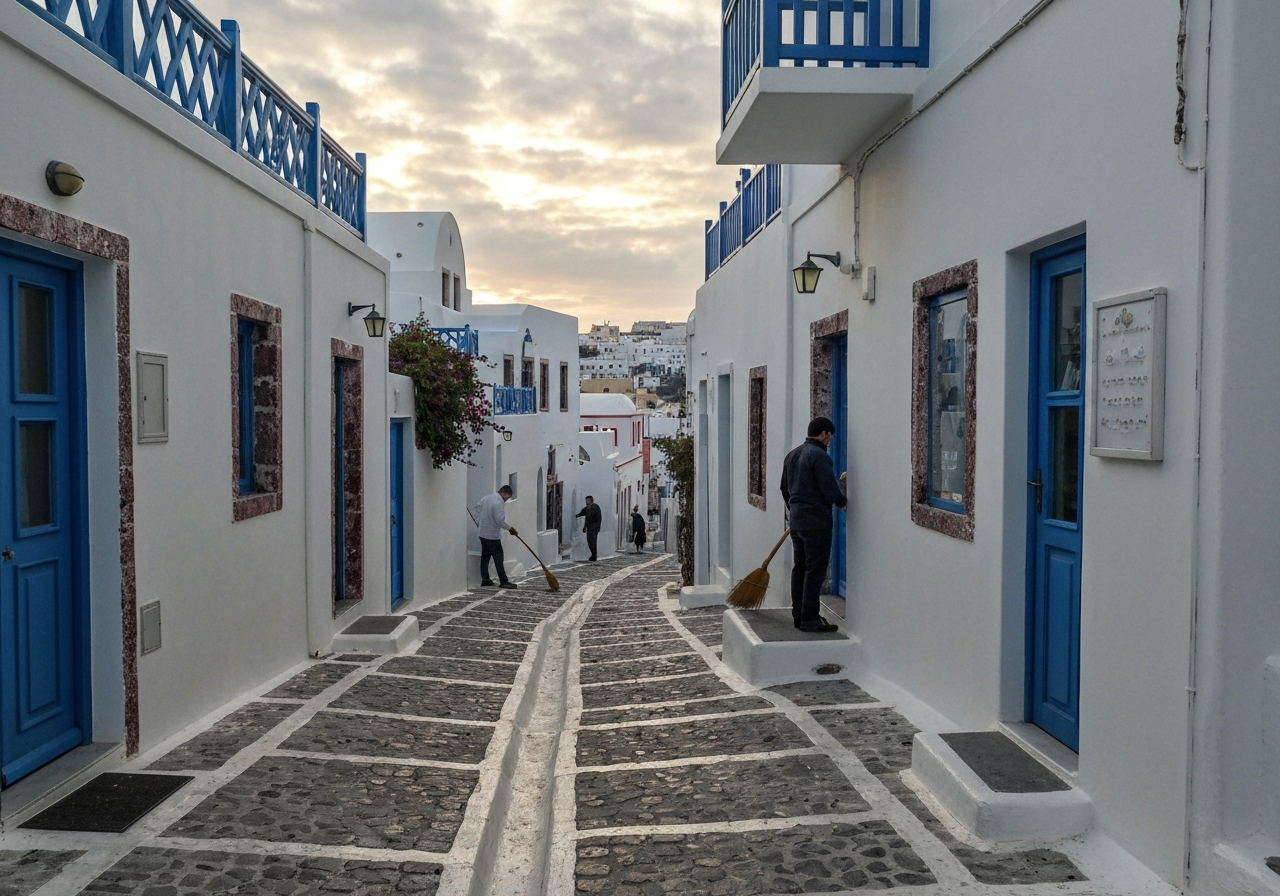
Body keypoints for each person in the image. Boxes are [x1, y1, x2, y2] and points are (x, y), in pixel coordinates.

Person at [780, 417, 847, 633]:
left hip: (797, 519)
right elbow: (829, 488)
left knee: (800, 567)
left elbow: (784, 489)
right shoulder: (819, 456)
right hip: (816, 520)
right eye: (830, 436)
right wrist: (842, 501)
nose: (830, 441)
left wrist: (796, 508)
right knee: (815, 569)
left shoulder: (792, 455)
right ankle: (810, 618)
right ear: (825, 434)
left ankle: (798, 614)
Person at [475, 485, 518, 588]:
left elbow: (477, 508)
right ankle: (503, 581)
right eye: (507, 497)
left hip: (482, 533)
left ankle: (485, 579)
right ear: (504, 493)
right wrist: (509, 528)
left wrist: (478, 522)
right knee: (498, 557)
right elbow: (499, 520)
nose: (506, 500)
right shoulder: (498, 503)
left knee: (485, 557)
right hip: (492, 535)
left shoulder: (487, 497)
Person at [575, 495, 603, 561]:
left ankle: (594, 556)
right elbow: (583, 513)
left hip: (594, 528)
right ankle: (593, 555)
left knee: (593, 541)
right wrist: (578, 515)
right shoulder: (587, 508)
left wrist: (596, 527)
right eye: (586, 500)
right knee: (590, 542)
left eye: (587, 500)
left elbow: (594, 518)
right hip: (590, 528)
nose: (586, 502)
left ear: (591, 501)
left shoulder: (595, 507)